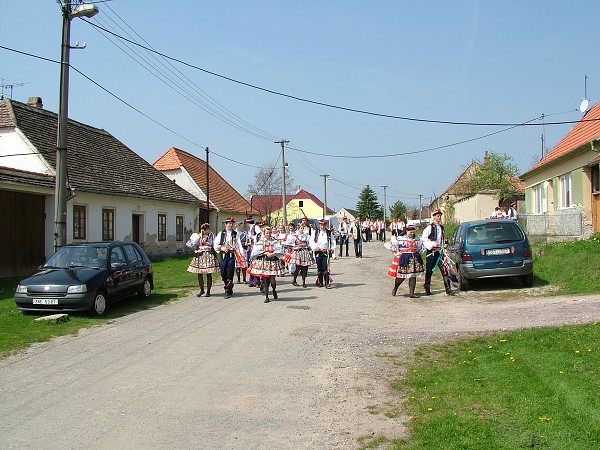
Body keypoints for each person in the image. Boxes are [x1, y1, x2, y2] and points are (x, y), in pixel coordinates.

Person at [247, 225, 285, 303]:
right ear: (264, 233)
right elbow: (255, 251)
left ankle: (274, 289)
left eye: (270, 233)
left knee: (272, 280)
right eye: (267, 233)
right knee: (265, 280)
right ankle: (267, 296)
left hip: (272, 262)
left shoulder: (274, 241)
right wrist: (264, 252)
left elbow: (279, 250)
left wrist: (273, 254)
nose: (269, 234)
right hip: (263, 261)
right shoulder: (260, 241)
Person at [385, 225, 424, 298]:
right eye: (410, 232)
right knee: (401, 276)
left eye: (413, 232)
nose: (411, 233)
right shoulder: (400, 239)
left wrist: (418, 252)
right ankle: (395, 288)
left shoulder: (417, 239)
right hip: (404, 258)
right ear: (406, 231)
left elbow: (419, 248)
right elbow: (391, 246)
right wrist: (396, 253)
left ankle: (412, 293)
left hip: (414, 258)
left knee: (413, 275)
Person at [421, 208, 451, 296]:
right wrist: (432, 244)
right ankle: (427, 288)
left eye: (440, 216)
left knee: (444, 270)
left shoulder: (442, 227)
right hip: (432, 253)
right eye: (438, 216)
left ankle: (448, 288)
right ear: (434, 217)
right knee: (429, 270)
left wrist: (444, 245)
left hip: (440, 253)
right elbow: (424, 238)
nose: (439, 217)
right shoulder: (429, 227)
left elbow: (441, 239)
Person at [186, 223, 220, 297]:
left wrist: (214, 250)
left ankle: (208, 291)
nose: (207, 231)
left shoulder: (212, 236)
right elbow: (191, 245)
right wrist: (195, 250)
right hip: (200, 255)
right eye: (206, 230)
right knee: (199, 273)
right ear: (203, 230)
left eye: (208, 229)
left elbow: (215, 244)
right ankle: (201, 290)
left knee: (209, 273)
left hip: (209, 255)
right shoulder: (198, 236)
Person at [213, 217, 244, 299]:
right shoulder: (221, 233)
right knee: (223, 273)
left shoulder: (235, 234)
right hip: (223, 255)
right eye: (229, 224)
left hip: (231, 255)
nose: (230, 225)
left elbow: (239, 244)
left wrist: (241, 254)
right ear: (226, 224)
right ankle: (227, 284)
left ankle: (228, 290)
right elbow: (215, 244)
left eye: (232, 224)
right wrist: (221, 248)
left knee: (230, 271)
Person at [310, 219, 336, 288]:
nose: (322, 227)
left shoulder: (328, 232)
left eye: (324, 225)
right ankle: (320, 282)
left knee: (325, 267)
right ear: (319, 225)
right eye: (321, 225)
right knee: (319, 267)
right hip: (318, 251)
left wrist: (332, 248)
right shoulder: (316, 232)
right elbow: (311, 241)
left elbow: (333, 241)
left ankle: (327, 283)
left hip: (325, 251)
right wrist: (315, 247)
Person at [289, 222, 315, 288]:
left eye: (303, 228)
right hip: (298, 253)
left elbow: (309, 244)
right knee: (298, 268)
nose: (302, 229)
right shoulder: (295, 236)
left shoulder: (306, 236)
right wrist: (295, 247)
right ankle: (294, 280)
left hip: (305, 252)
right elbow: (290, 244)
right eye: (301, 228)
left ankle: (304, 282)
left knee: (305, 268)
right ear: (298, 228)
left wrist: (310, 249)